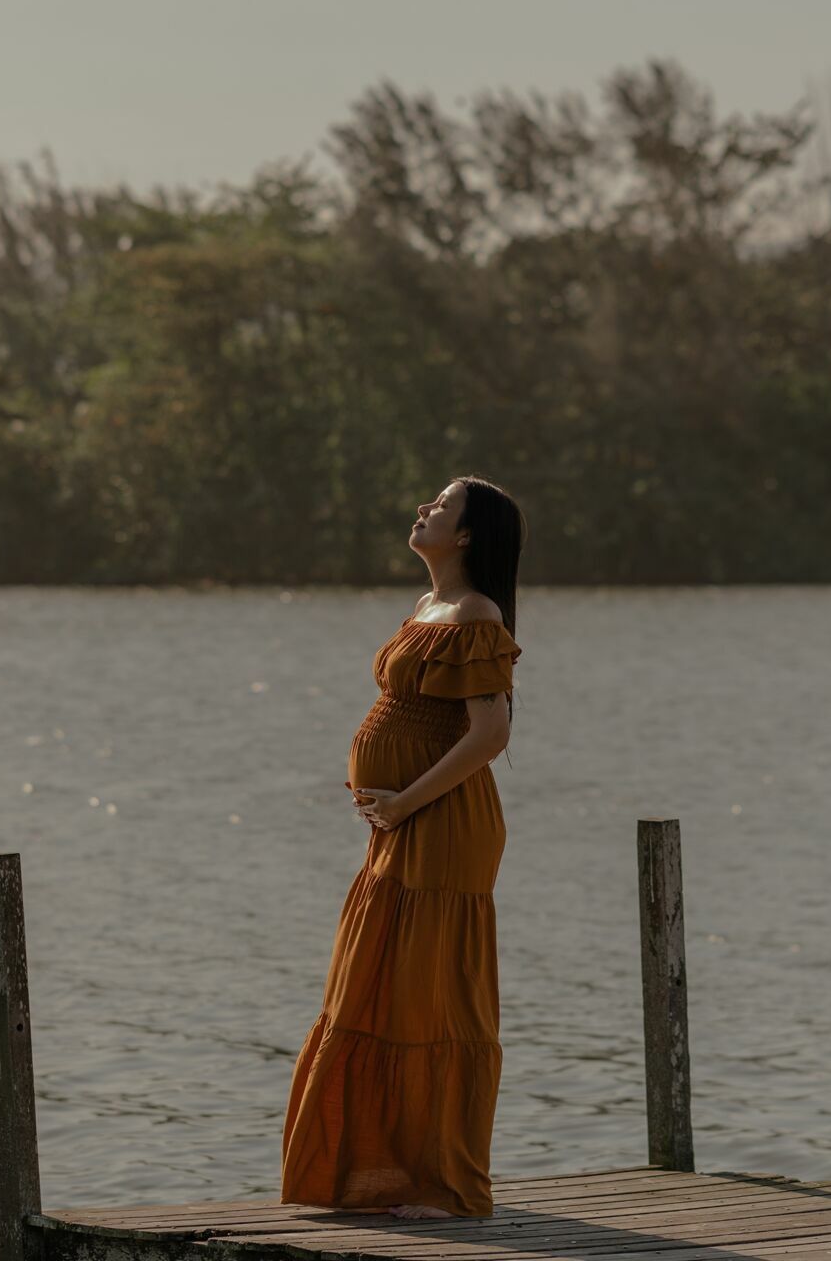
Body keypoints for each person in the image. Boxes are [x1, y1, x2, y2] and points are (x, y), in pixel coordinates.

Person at [280, 474, 526, 1220]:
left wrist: (403, 801)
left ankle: (444, 1184)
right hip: (400, 824)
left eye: (441, 507)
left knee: (431, 1000)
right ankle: (386, 1175)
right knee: (379, 990)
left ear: (466, 535)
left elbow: (490, 735)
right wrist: (387, 803)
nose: (424, 509)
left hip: (442, 826)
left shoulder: (476, 613)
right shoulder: (426, 607)